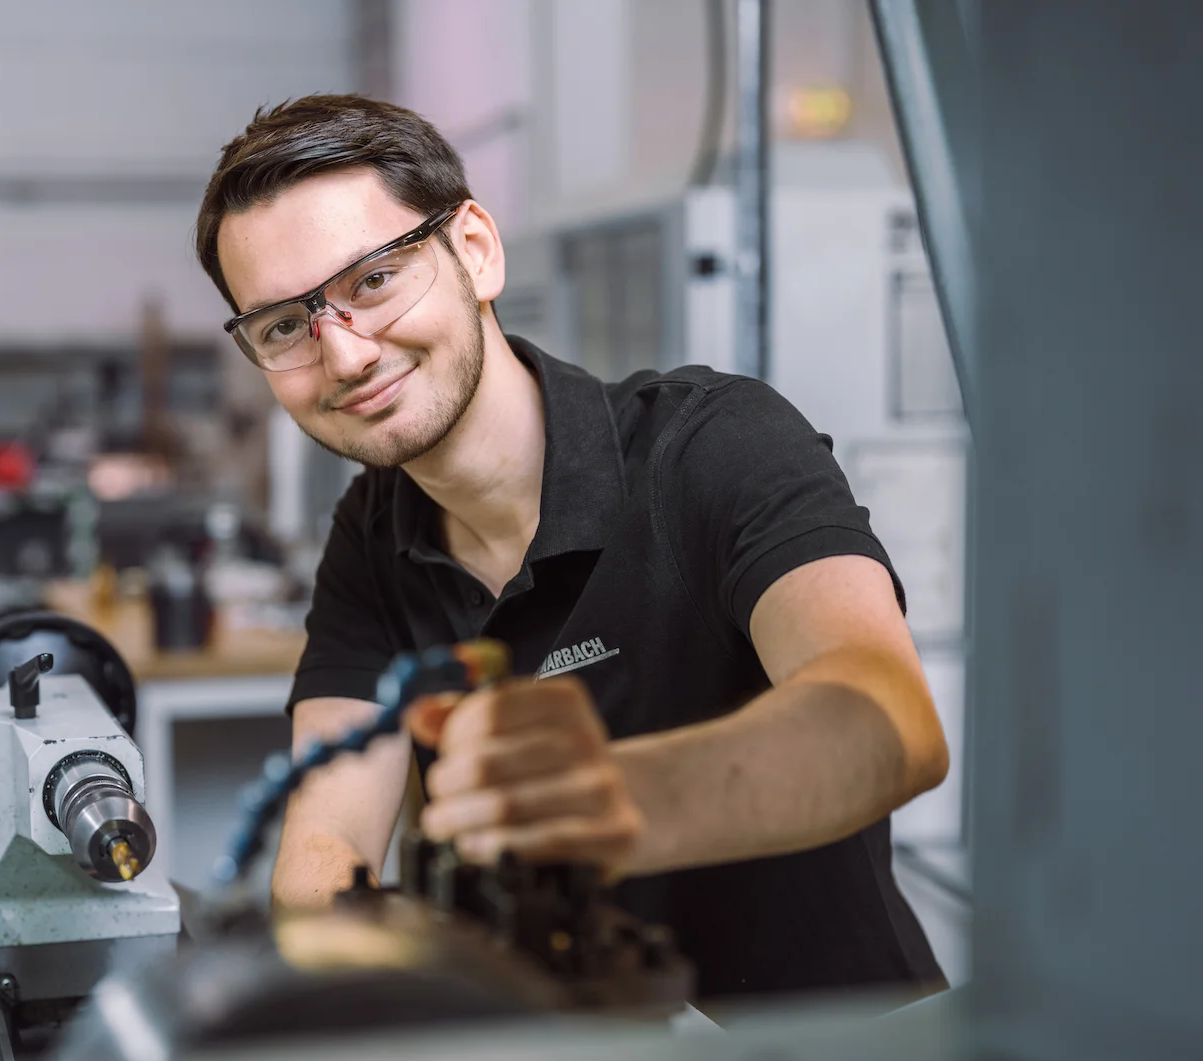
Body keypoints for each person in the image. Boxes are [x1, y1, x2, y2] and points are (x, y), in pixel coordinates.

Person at [193, 95, 949, 1010]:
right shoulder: (375, 530)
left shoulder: (712, 444)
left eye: (373, 280)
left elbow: (891, 721)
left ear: (474, 250)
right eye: (284, 326)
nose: (344, 356)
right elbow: (328, 845)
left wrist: (614, 798)